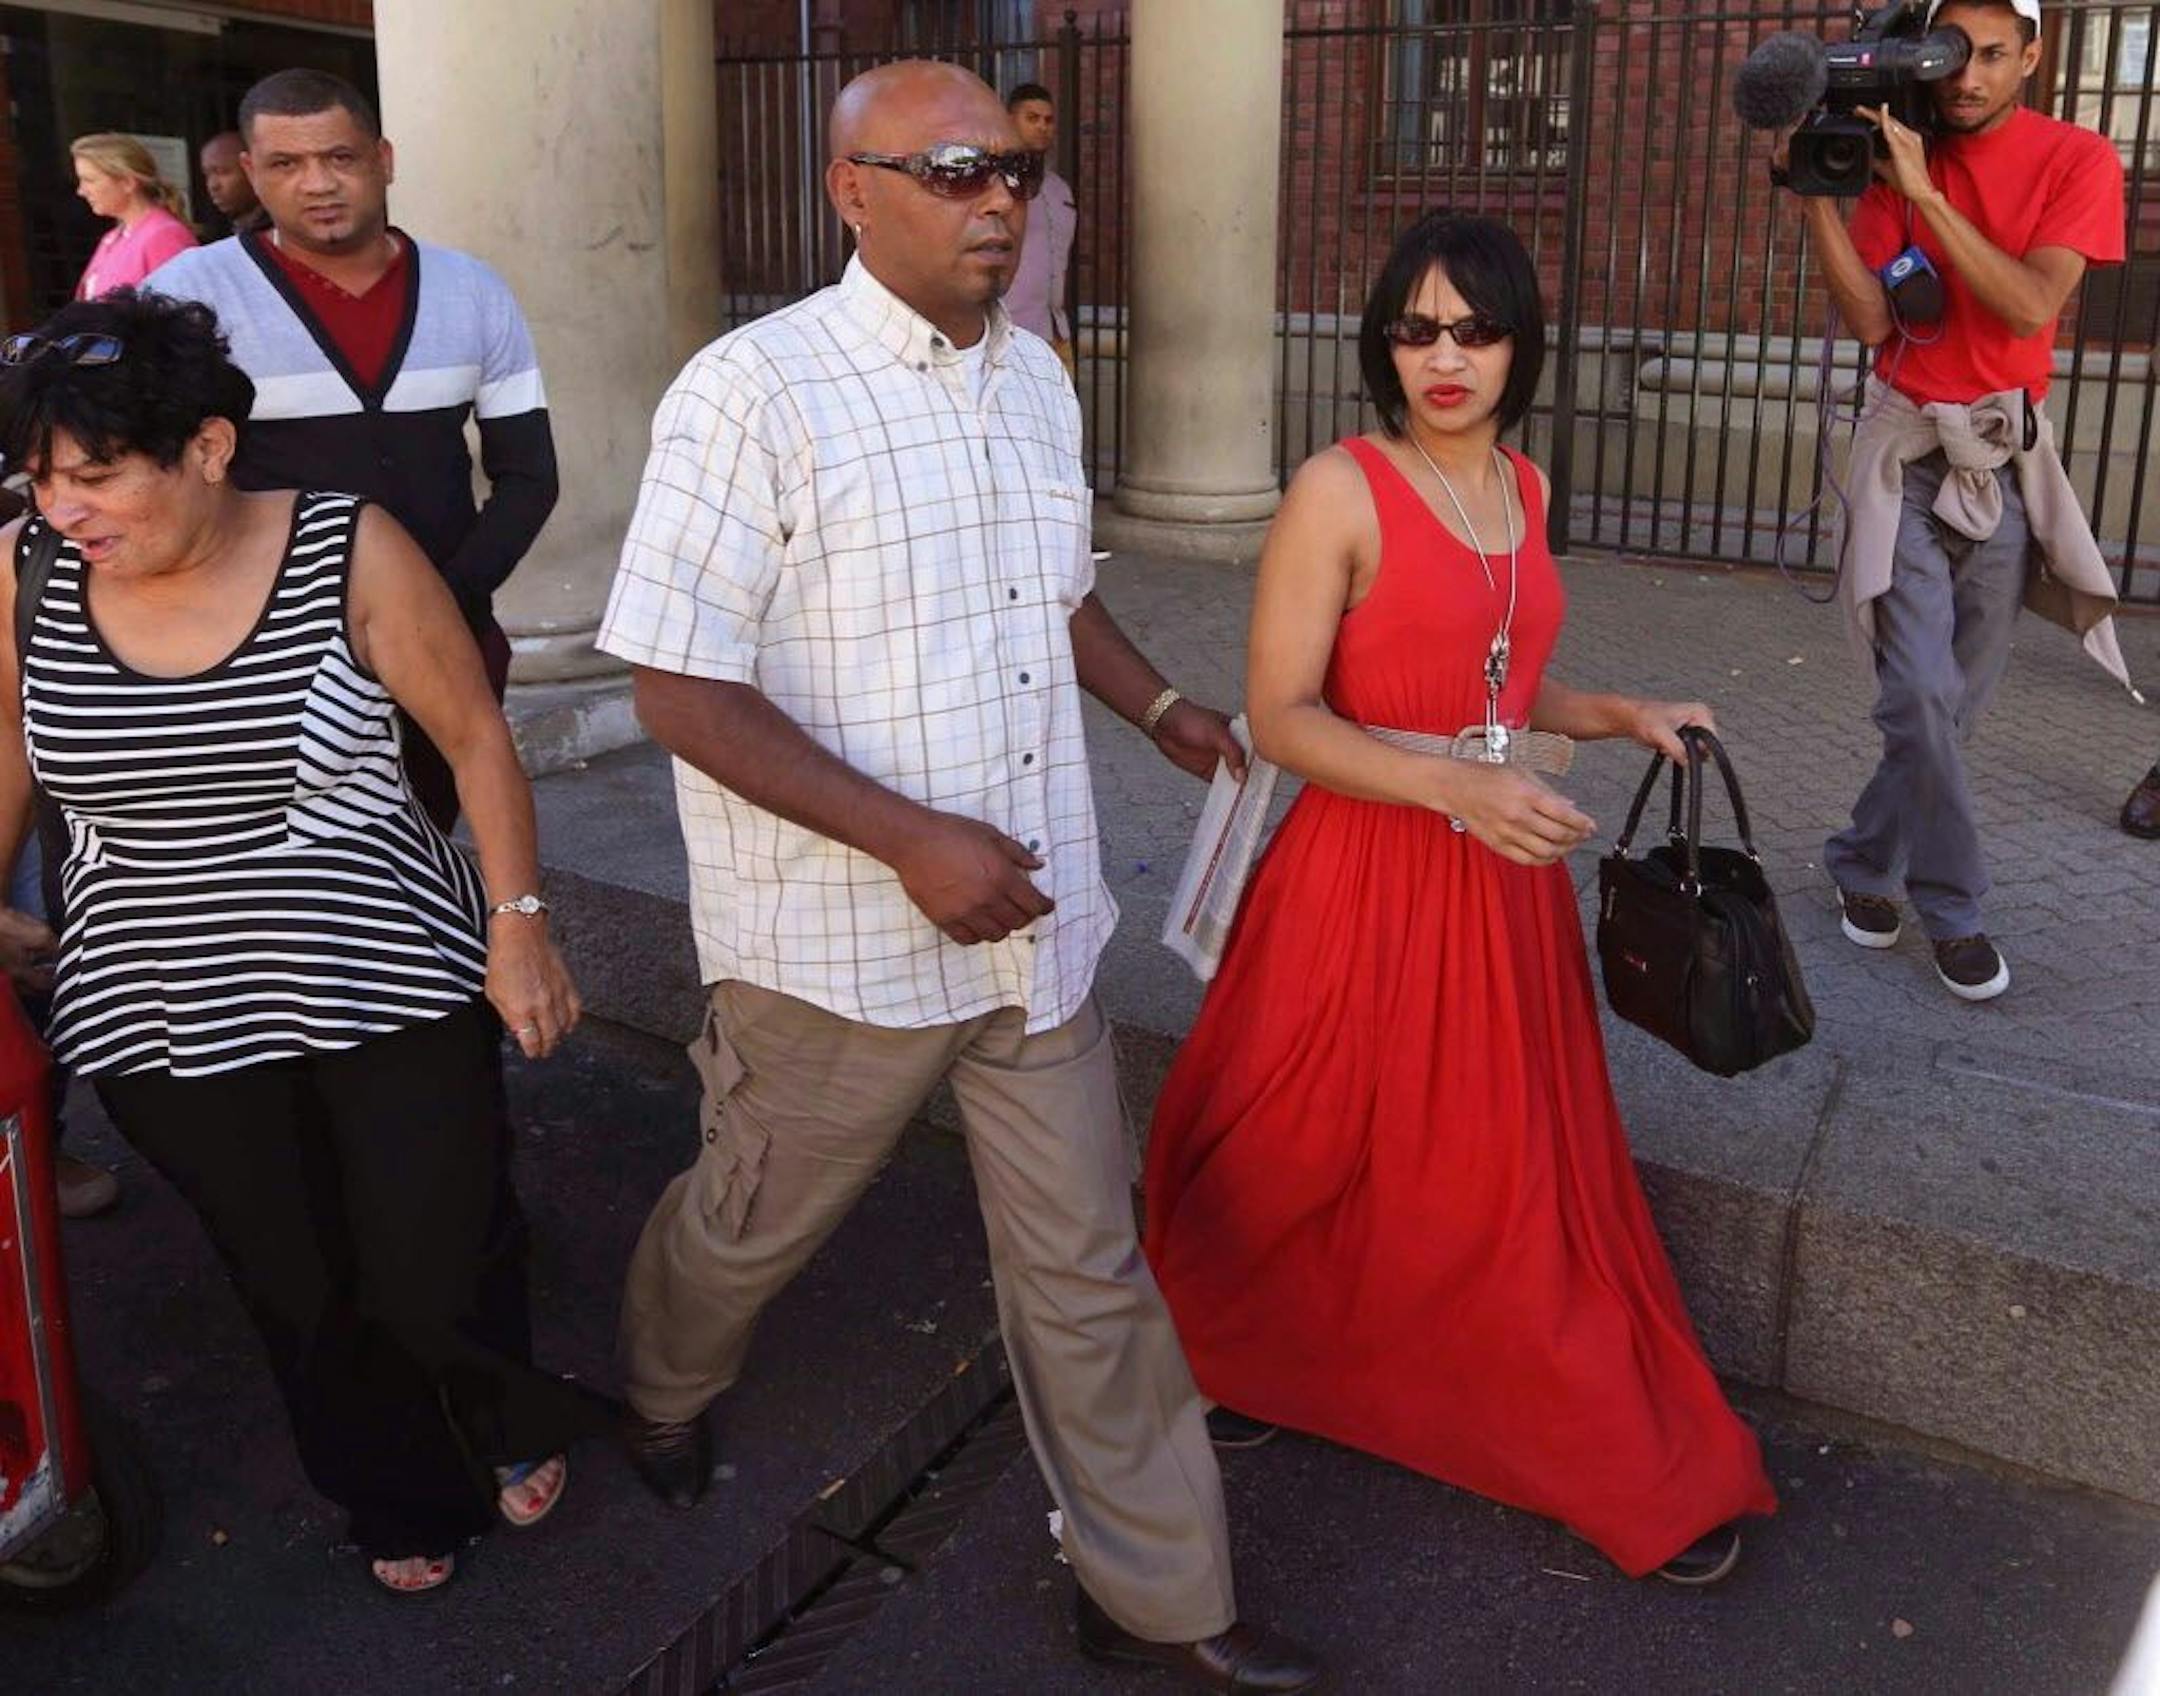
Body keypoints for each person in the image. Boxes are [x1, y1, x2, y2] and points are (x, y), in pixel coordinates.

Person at [599, 61, 1321, 1695]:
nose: (996, 198)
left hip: (1034, 934)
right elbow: (675, 686)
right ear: (850, 190)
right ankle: (656, 1384)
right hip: (836, 949)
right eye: (949, 171)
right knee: (749, 1222)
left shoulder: (1039, 379)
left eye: (1007, 168)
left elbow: (1053, 595)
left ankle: (1153, 1594)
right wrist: (909, 841)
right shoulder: (752, 390)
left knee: (1087, 1269)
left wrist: (1157, 709)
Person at [1142, 212, 1779, 1588]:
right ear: (1385, 341)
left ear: (1518, 347)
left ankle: (1559, 1419)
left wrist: (1617, 712)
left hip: (1498, 884)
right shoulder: (1339, 488)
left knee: (1492, 1167)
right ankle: (1249, 1348)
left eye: (1475, 330)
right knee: (1314, 1137)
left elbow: (1492, 688)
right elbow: (1283, 715)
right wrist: (1458, 794)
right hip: (1363, 869)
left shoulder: (1524, 490)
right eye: (1417, 328)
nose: (1446, 356)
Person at [0, 289, 606, 1595]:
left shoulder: (346, 546)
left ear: (210, 447)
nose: (66, 509)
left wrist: (521, 930)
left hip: (388, 971)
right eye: (42, 478)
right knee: (298, 1281)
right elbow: (7, 742)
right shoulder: (26, 571)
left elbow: (474, 740)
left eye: (98, 475)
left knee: (433, 1255)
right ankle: (390, 1484)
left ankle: (496, 1406)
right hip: (159, 1007)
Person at [1785, 0, 2130, 993]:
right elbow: (1869, 318)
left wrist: (1930, 196)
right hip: (1904, 449)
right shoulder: (1892, 150)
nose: (1966, 76)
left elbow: (2029, 302)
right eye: (1948, 54)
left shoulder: (2077, 161)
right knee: (1922, 694)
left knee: (1954, 707)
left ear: (2031, 55)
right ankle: (1952, 906)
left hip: (2002, 455)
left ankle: (1859, 858)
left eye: (1989, 55)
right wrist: (1818, 191)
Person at [150, 69, 558, 832]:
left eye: (340, 158)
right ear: (250, 174)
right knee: (281, 858)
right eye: (286, 165)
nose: (317, 184)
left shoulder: (471, 291)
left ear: (384, 159)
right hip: (260, 654)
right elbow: (147, 473)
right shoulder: (187, 297)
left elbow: (530, 475)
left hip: (447, 636)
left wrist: (443, 601)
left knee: (428, 837)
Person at [1003, 81, 1076, 374]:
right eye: (1032, 118)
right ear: (1010, 120)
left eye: (1048, 120)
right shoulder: (995, 187)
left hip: (1056, 331)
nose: (1042, 127)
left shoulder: (1060, 190)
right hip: (1011, 331)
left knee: (1064, 417)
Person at [69, 133, 196, 300]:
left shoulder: (164, 236)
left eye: (90, 180)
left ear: (128, 182)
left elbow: (183, 312)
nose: (81, 191)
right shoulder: (113, 238)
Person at [198, 129, 268, 238]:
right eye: (207, 174)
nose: (212, 185)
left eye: (222, 172)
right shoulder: (218, 230)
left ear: (250, 169)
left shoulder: (282, 229)